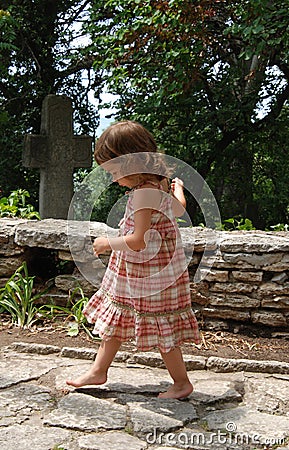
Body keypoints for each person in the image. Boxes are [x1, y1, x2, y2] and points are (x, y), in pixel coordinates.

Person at [66, 121, 200, 399]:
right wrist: (178, 190)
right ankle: (98, 370)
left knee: (161, 325)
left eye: (115, 172)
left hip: (146, 271)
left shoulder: (142, 194)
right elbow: (178, 209)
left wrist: (106, 243)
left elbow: (137, 240)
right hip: (152, 268)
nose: (114, 179)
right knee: (119, 316)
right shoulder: (159, 182)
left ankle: (181, 383)